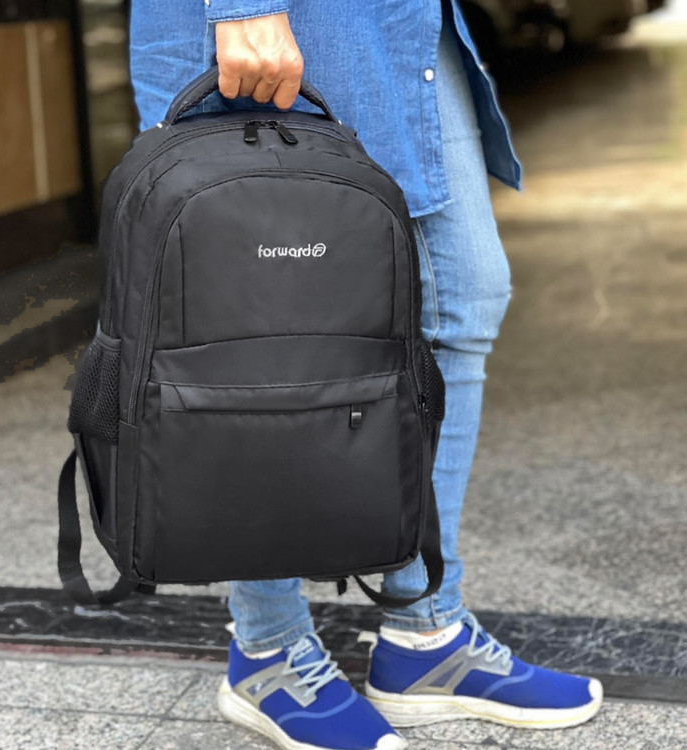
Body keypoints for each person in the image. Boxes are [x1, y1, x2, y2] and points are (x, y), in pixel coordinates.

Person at [129, 2, 603, 748]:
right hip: (285, 22)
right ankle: (268, 647)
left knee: (464, 296)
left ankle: (425, 633)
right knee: (263, 333)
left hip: (403, 27)